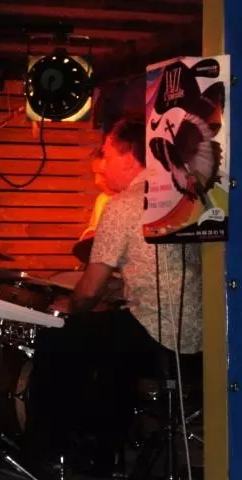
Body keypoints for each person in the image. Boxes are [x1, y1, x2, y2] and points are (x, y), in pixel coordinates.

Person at [24, 118, 203, 478]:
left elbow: (89, 290)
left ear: (130, 156)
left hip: (157, 336)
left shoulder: (123, 205)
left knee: (59, 337)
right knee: (109, 344)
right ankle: (104, 448)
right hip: (201, 336)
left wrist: (71, 307)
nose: (102, 165)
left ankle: (47, 451)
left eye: (106, 155)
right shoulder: (183, 194)